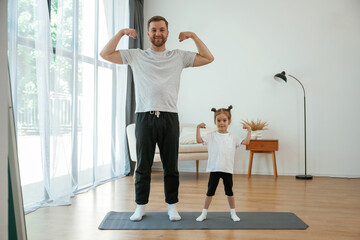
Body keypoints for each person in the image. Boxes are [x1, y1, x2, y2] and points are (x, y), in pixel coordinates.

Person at [100, 16, 214, 221]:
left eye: (162, 30)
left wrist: (194, 36)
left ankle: (172, 206)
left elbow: (208, 58)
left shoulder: (178, 56)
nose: (158, 33)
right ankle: (140, 207)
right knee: (143, 165)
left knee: (171, 166)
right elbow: (105, 53)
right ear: (148, 32)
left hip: (170, 117)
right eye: (153, 30)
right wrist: (121, 33)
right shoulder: (136, 56)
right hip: (144, 116)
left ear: (167, 33)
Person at [195, 105, 251, 222]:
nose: (221, 123)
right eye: (219, 120)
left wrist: (249, 130)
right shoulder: (211, 136)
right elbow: (199, 140)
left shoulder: (233, 137)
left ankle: (233, 213)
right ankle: (204, 213)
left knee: (229, 192)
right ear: (215, 122)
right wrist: (198, 128)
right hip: (214, 169)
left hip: (227, 169)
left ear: (229, 121)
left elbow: (246, 142)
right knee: (210, 192)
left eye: (224, 120)